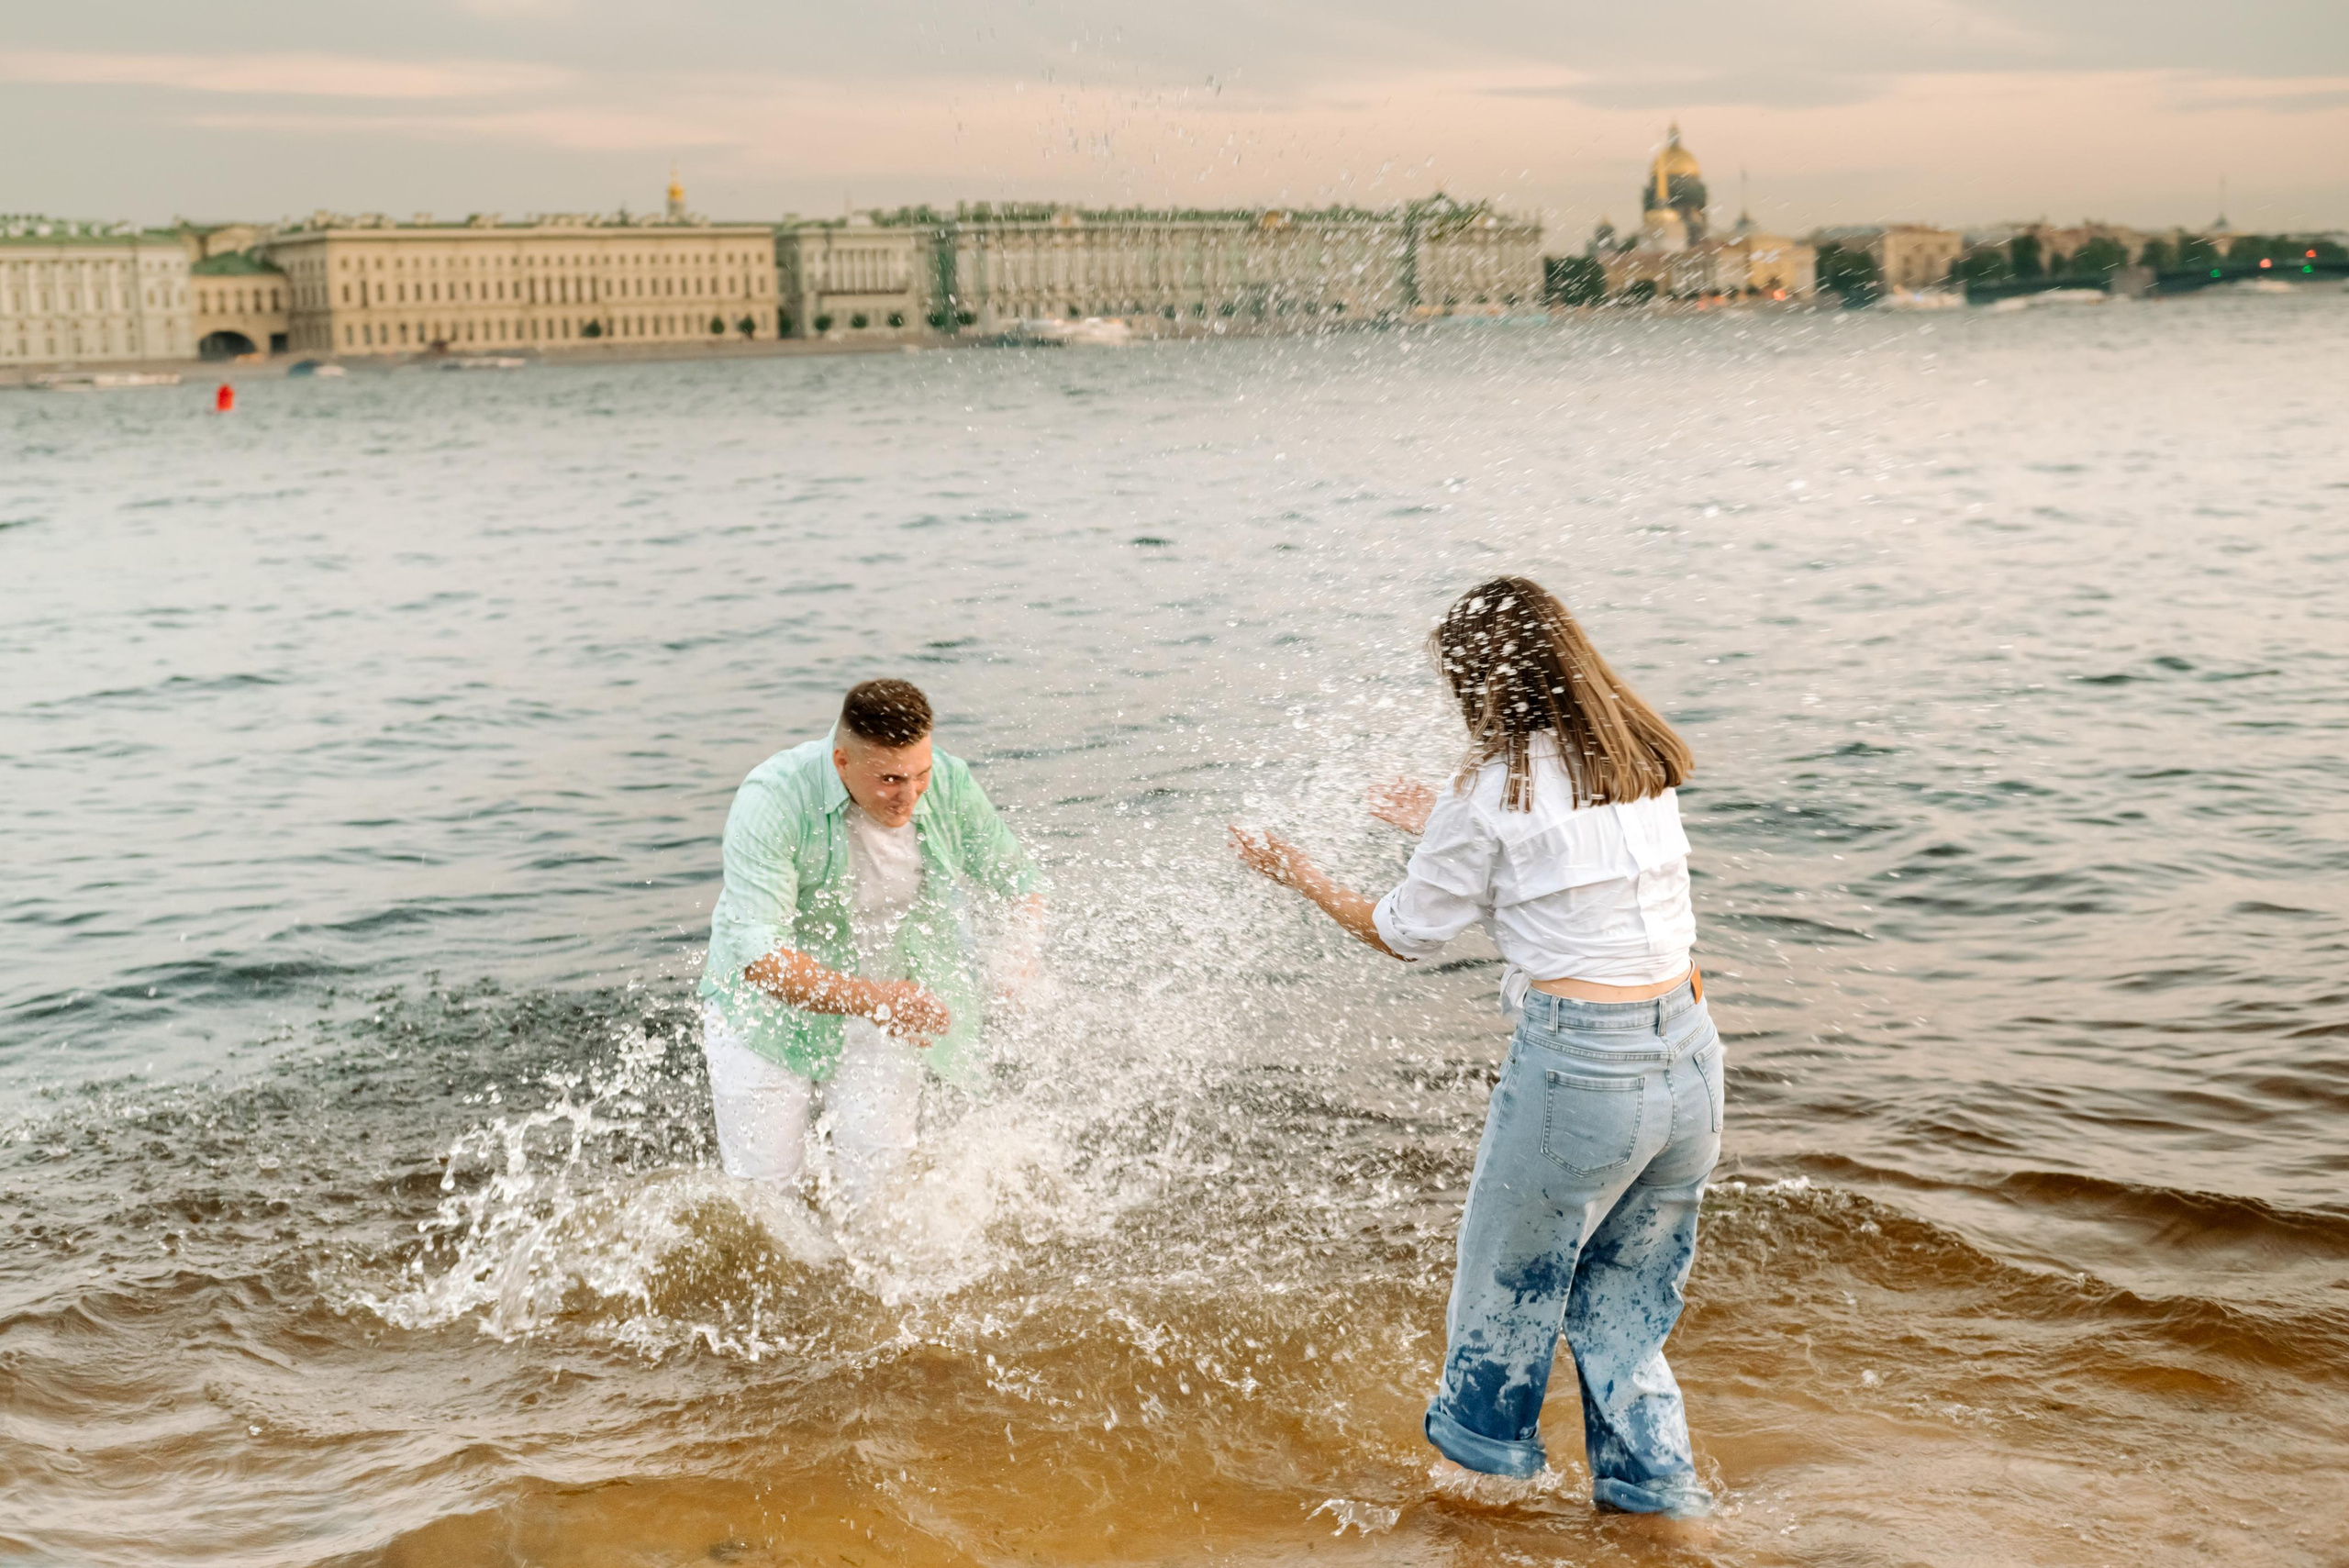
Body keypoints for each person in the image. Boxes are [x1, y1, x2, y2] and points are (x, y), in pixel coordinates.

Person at [1230, 576, 1721, 1519]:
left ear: (1480, 684)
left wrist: (1296, 872)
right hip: (1691, 1056)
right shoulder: (1636, 759)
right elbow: (1568, 874)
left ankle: (1479, 1509)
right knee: (1624, 1313)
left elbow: (1401, 930)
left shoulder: (1490, 790)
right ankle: (1662, 1506)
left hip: (1584, 1070)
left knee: (1505, 1294)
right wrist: (1441, 827)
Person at [698, 679, 1043, 1212]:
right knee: (763, 1201)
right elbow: (760, 959)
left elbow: (1020, 881)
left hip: (885, 1005)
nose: (909, 796)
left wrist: (1018, 955)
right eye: (889, 779)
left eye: (919, 774)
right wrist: (877, 1000)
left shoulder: (948, 782)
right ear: (842, 761)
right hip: (763, 1015)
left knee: (884, 1194)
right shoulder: (772, 800)